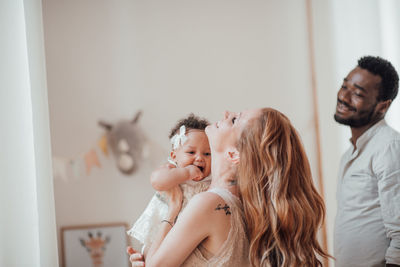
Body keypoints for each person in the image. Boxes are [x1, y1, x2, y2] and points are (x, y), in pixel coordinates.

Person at [128, 108, 329, 267]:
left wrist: (173, 208)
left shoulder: (209, 204)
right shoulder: (245, 203)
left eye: (234, 120)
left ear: (234, 155)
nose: (226, 113)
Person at [334, 56, 400, 266]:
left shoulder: (388, 146)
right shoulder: (349, 154)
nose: (344, 97)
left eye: (357, 93)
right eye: (344, 86)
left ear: (382, 106)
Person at [127, 114, 212, 254]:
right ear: (174, 156)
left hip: (191, 236)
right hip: (162, 230)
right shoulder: (171, 170)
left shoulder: (210, 179)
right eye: (191, 152)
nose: (199, 158)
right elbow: (157, 181)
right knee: (151, 253)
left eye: (207, 154)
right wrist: (186, 173)